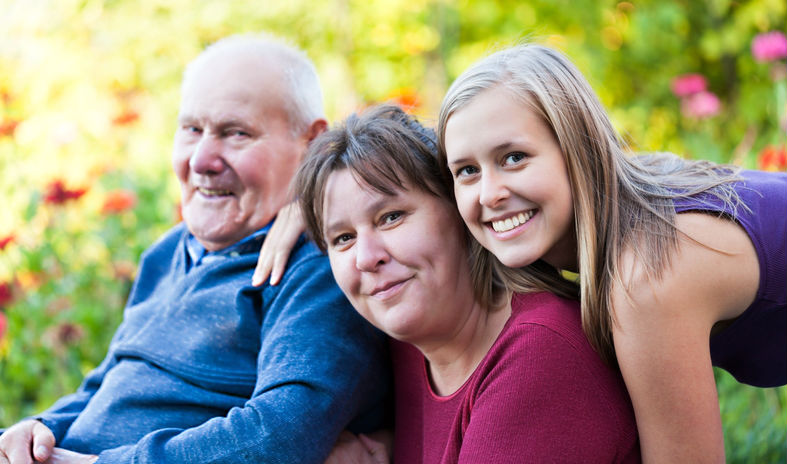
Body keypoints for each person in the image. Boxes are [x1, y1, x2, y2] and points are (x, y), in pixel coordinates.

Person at [0, 34, 390, 464]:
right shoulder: (168, 252)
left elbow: (280, 434)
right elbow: (108, 384)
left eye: (235, 133)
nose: (202, 159)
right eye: (191, 129)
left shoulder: (318, 264)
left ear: (313, 142)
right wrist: (39, 430)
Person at [436, 43, 786, 463]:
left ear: (578, 148)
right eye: (467, 171)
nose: (489, 194)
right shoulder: (634, 204)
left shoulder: (647, 275)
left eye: (514, 158)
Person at [292, 105, 640, 463]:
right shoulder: (411, 343)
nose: (366, 257)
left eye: (391, 217)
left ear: (460, 209)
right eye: (343, 238)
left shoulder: (539, 352)